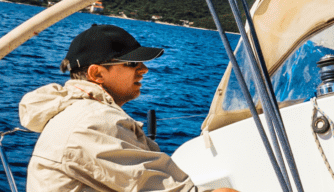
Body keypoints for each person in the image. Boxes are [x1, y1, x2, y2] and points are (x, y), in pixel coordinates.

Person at [19, 24, 239, 192]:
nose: (144, 69)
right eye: (132, 63)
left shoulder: (82, 113)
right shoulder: (92, 122)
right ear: (97, 73)